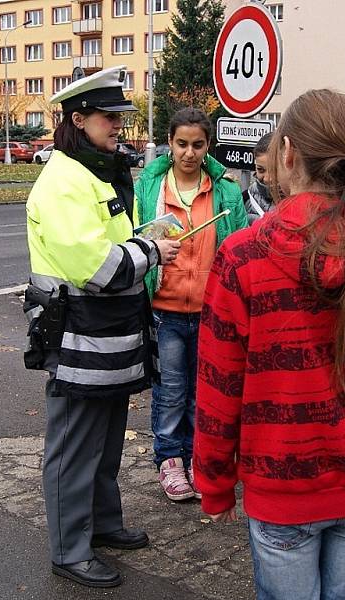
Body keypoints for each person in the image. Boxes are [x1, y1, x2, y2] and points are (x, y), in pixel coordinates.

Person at [193, 89, 345, 600]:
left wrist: (212, 480)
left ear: (289, 152)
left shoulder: (243, 255)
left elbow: (218, 382)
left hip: (282, 485)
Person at [24, 65, 181, 588]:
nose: (119, 125)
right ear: (78, 118)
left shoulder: (93, 172)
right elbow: (98, 267)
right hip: (77, 338)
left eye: (120, 116)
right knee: (74, 445)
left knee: (107, 437)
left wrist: (141, 239)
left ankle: (103, 525)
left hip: (107, 337)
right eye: (109, 117)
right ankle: (70, 549)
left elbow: (113, 244)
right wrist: (152, 249)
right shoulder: (65, 181)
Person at [135, 107, 248, 502]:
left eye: (197, 144)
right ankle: (169, 459)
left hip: (210, 312)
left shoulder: (226, 191)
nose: (188, 152)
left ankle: (199, 459)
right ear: (170, 143)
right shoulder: (150, 187)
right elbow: (136, 239)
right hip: (165, 311)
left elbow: (238, 245)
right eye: (181, 144)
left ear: (208, 145)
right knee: (170, 389)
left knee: (203, 392)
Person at [242, 132, 274, 223]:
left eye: (274, 170)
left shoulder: (301, 203)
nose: (267, 178)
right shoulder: (244, 199)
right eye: (261, 170)